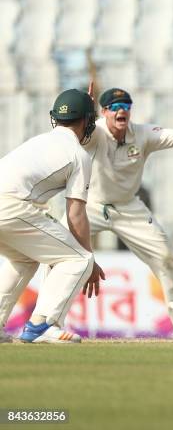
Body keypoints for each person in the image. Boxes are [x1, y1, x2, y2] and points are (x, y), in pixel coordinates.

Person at [59, 87, 173, 339]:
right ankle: (48, 322)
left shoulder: (142, 134)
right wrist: (85, 110)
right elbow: (74, 137)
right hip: (92, 205)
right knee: (58, 248)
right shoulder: (94, 132)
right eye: (115, 107)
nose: (121, 111)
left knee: (166, 256)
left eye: (126, 106)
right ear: (104, 112)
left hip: (129, 207)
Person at [0, 89, 104, 344]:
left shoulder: (38, 141)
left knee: (25, 259)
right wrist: (89, 260)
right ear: (87, 122)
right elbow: (76, 215)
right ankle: (43, 324)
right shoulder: (79, 155)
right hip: (10, 208)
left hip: (8, 205)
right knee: (78, 259)